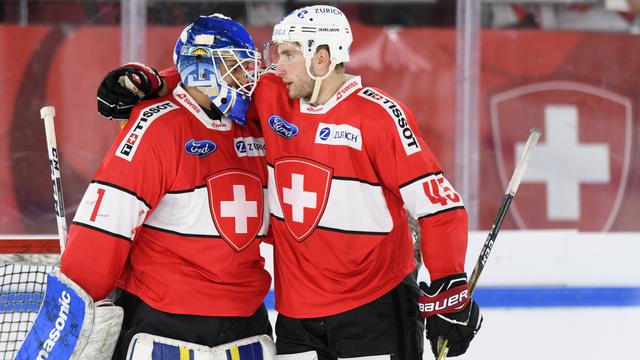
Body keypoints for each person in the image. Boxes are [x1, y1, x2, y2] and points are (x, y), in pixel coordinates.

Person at [97, 6, 482, 359]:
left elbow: (439, 206)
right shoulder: (271, 97)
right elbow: (215, 72)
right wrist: (152, 82)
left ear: (322, 58)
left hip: (374, 310)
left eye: (288, 55)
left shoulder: (380, 116)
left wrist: (449, 285)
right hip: (297, 321)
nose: (275, 67)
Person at [62, 14, 273, 359]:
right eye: (234, 66)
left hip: (246, 320)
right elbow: (104, 228)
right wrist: (76, 308)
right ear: (201, 68)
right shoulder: (157, 127)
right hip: (164, 319)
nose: (246, 78)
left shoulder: (255, 124)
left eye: (247, 66)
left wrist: (160, 79)